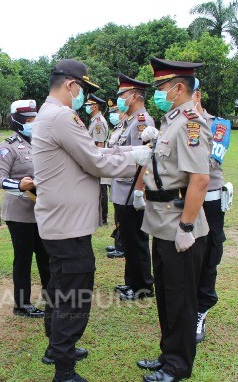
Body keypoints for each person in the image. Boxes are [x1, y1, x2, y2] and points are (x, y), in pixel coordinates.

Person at [32, 58, 151, 382]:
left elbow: (91, 157)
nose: (82, 96)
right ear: (71, 85)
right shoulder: (62, 117)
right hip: (67, 226)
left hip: (59, 223)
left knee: (59, 291)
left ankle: (57, 350)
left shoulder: (48, 114)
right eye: (82, 89)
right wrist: (135, 158)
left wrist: (128, 156)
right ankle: (64, 370)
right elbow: (96, 161)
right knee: (73, 298)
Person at [136, 58, 212, 382]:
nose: (158, 93)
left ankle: (177, 367)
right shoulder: (171, 122)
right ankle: (168, 355)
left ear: (178, 87)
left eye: (161, 87)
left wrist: (186, 228)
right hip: (161, 224)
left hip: (180, 227)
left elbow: (199, 181)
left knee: (181, 301)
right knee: (167, 298)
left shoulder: (190, 124)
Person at [0, 99, 50, 318]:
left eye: (35, 119)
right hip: (19, 213)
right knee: (23, 257)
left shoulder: (41, 142)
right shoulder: (7, 147)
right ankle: (21, 304)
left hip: (42, 210)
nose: (33, 123)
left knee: (46, 254)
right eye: (28, 120)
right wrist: (19, 184)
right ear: (17, 122)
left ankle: (50, 292)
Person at [192, 79, 231, 343]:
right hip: (183, 200)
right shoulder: (176, 124)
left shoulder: (219, 125)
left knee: (208, 255)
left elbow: (209, 164)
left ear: (197, 95)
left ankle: (200, 311)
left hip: (209, 201)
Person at [110, 74, 155, 301]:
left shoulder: (142, 122)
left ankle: (142, 287)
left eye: (123, 95)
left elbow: (142, 160)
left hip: (131, 190)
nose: (120, 100)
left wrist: (139, 191)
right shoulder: (129, 121)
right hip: (122, 188)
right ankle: (132, 283)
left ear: (135, 96)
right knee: (128, 239)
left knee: (136, 240)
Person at [84, 94, 110, 225]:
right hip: (95, 158)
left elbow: (99, 144)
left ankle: (103, 217)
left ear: (94, 106)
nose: (87, 108)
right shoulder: (94, 120)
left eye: (88, 105)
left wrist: (95, 163)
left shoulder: (98, 122)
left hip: (98, 158)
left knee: (101, 189)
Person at [105, 105, 128, 258]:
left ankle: (122, 246)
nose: (115, 115)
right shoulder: (120, 126)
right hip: (117, 175)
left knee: (124, 215)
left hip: (125, 177)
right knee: (119, 214)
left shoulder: (133, 125)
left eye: (117, 111)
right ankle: (119, 243)